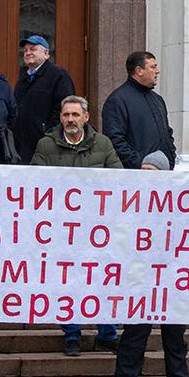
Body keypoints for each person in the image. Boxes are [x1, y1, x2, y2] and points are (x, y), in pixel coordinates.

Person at [111, 150, 189, 377]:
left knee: (175, 339)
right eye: (143, 172)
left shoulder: (179, 202)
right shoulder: (131, 203)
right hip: (141, 279)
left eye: (151, 172)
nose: (146, 178)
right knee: (135, 336)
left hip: (170, 279)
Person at [30, 96, 121, 356]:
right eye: (66, 115)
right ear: (60, 117)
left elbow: (119, 179)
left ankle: (107, 333)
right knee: (67, 280)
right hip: (62, 228)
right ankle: (71, 334)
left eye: (75, 115)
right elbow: (35, 182)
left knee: (102, 279)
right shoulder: (46, 146)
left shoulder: (102, 144)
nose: (70, 120)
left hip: (97, 229)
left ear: (86, 117)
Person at [102, 50, 177, 170]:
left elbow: (167, 133)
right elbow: (115, 140)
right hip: (136, 175)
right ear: (139, 71)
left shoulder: (158, 100)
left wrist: (170, 157)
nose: (157, 71)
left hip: (163, 173)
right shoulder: (118, 100)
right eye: (153, 67)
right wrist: (140, 164)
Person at [12, 35, 75, 164]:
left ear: (46, 54)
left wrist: (48, 135)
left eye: (33, 49)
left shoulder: (58, 76)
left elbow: (65, 108)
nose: (28, 53)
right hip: (22, 148)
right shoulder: (23, 79)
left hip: (48, 147)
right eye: (25, 50)